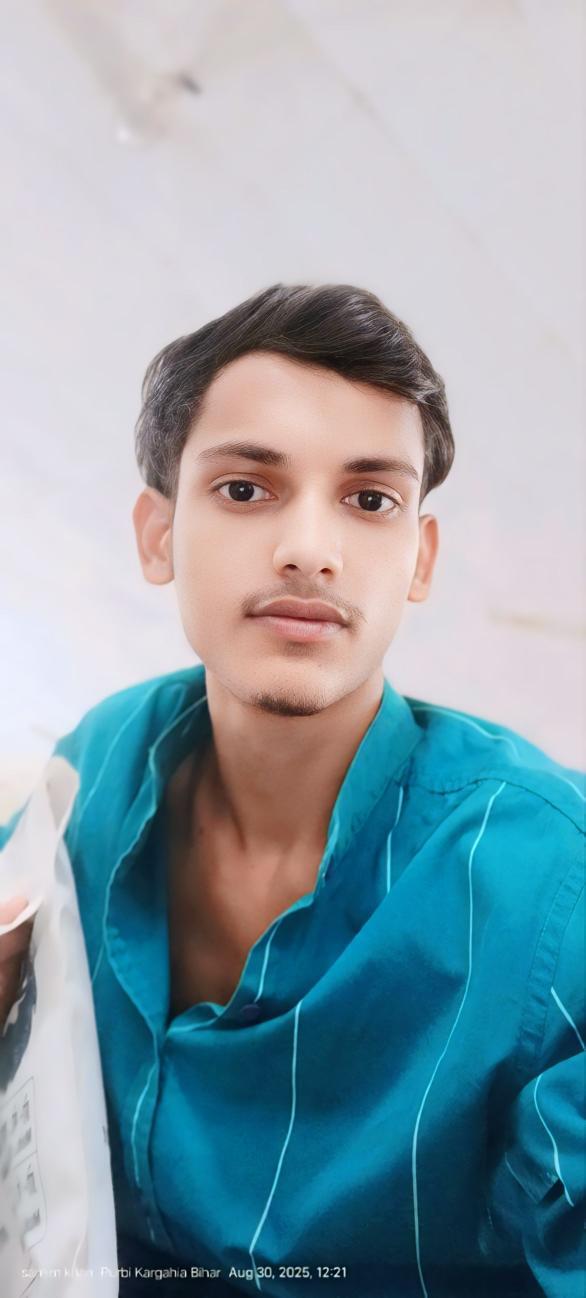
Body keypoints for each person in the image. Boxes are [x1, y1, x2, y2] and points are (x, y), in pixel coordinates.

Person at [0, 284, 584, 1298]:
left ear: (419, 559)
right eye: (245, 488)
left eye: (370, 500)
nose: (310, 548)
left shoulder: (550, 888)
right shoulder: (96, 766)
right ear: (157, 533)